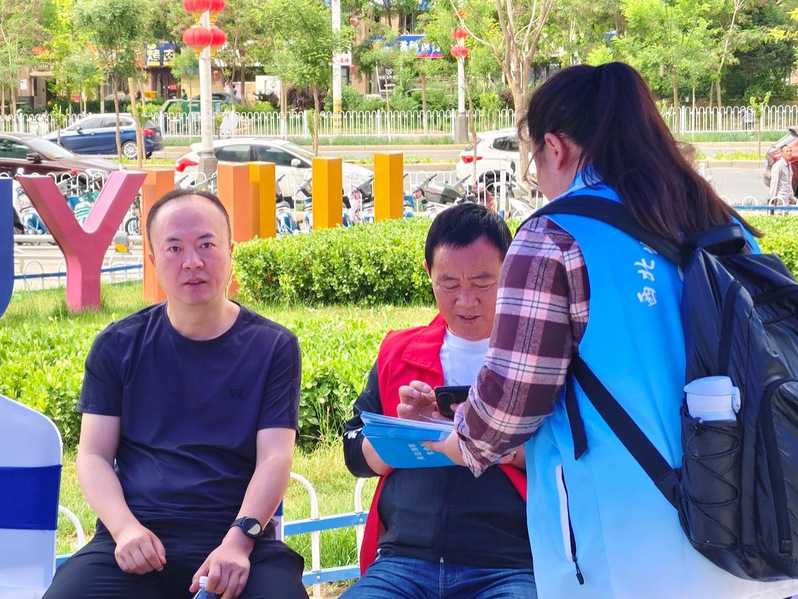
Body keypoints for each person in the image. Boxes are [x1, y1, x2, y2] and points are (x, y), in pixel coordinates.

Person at [421, 63, 798, 599]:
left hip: (626, 556)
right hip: (749, 541)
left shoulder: (552, 236)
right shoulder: (724, 224)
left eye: (534, 161)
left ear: (555, 147)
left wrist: (454, 436)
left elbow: (507, 411)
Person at [44, 189, 308, 599]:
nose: (192, 262)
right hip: (139, 534)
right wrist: (124, 529)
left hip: (236, 535)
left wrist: (238, 542)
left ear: (230, 252)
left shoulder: (273, 346)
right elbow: (93, 456)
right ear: (153, 260)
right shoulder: (118, 345)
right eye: (174, 248)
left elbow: (276, 457)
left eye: (206, 245)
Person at [341, 203, 535, 599]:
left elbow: (578, 456)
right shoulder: (399, 351)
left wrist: (497, 444)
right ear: (429, 272)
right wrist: (406, 431)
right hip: (403, 561)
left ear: (510, 271)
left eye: (483, 282)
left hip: (510, 563)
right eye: (448, 283)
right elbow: (354, 453)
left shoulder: (537, 356)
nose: (466, 301)